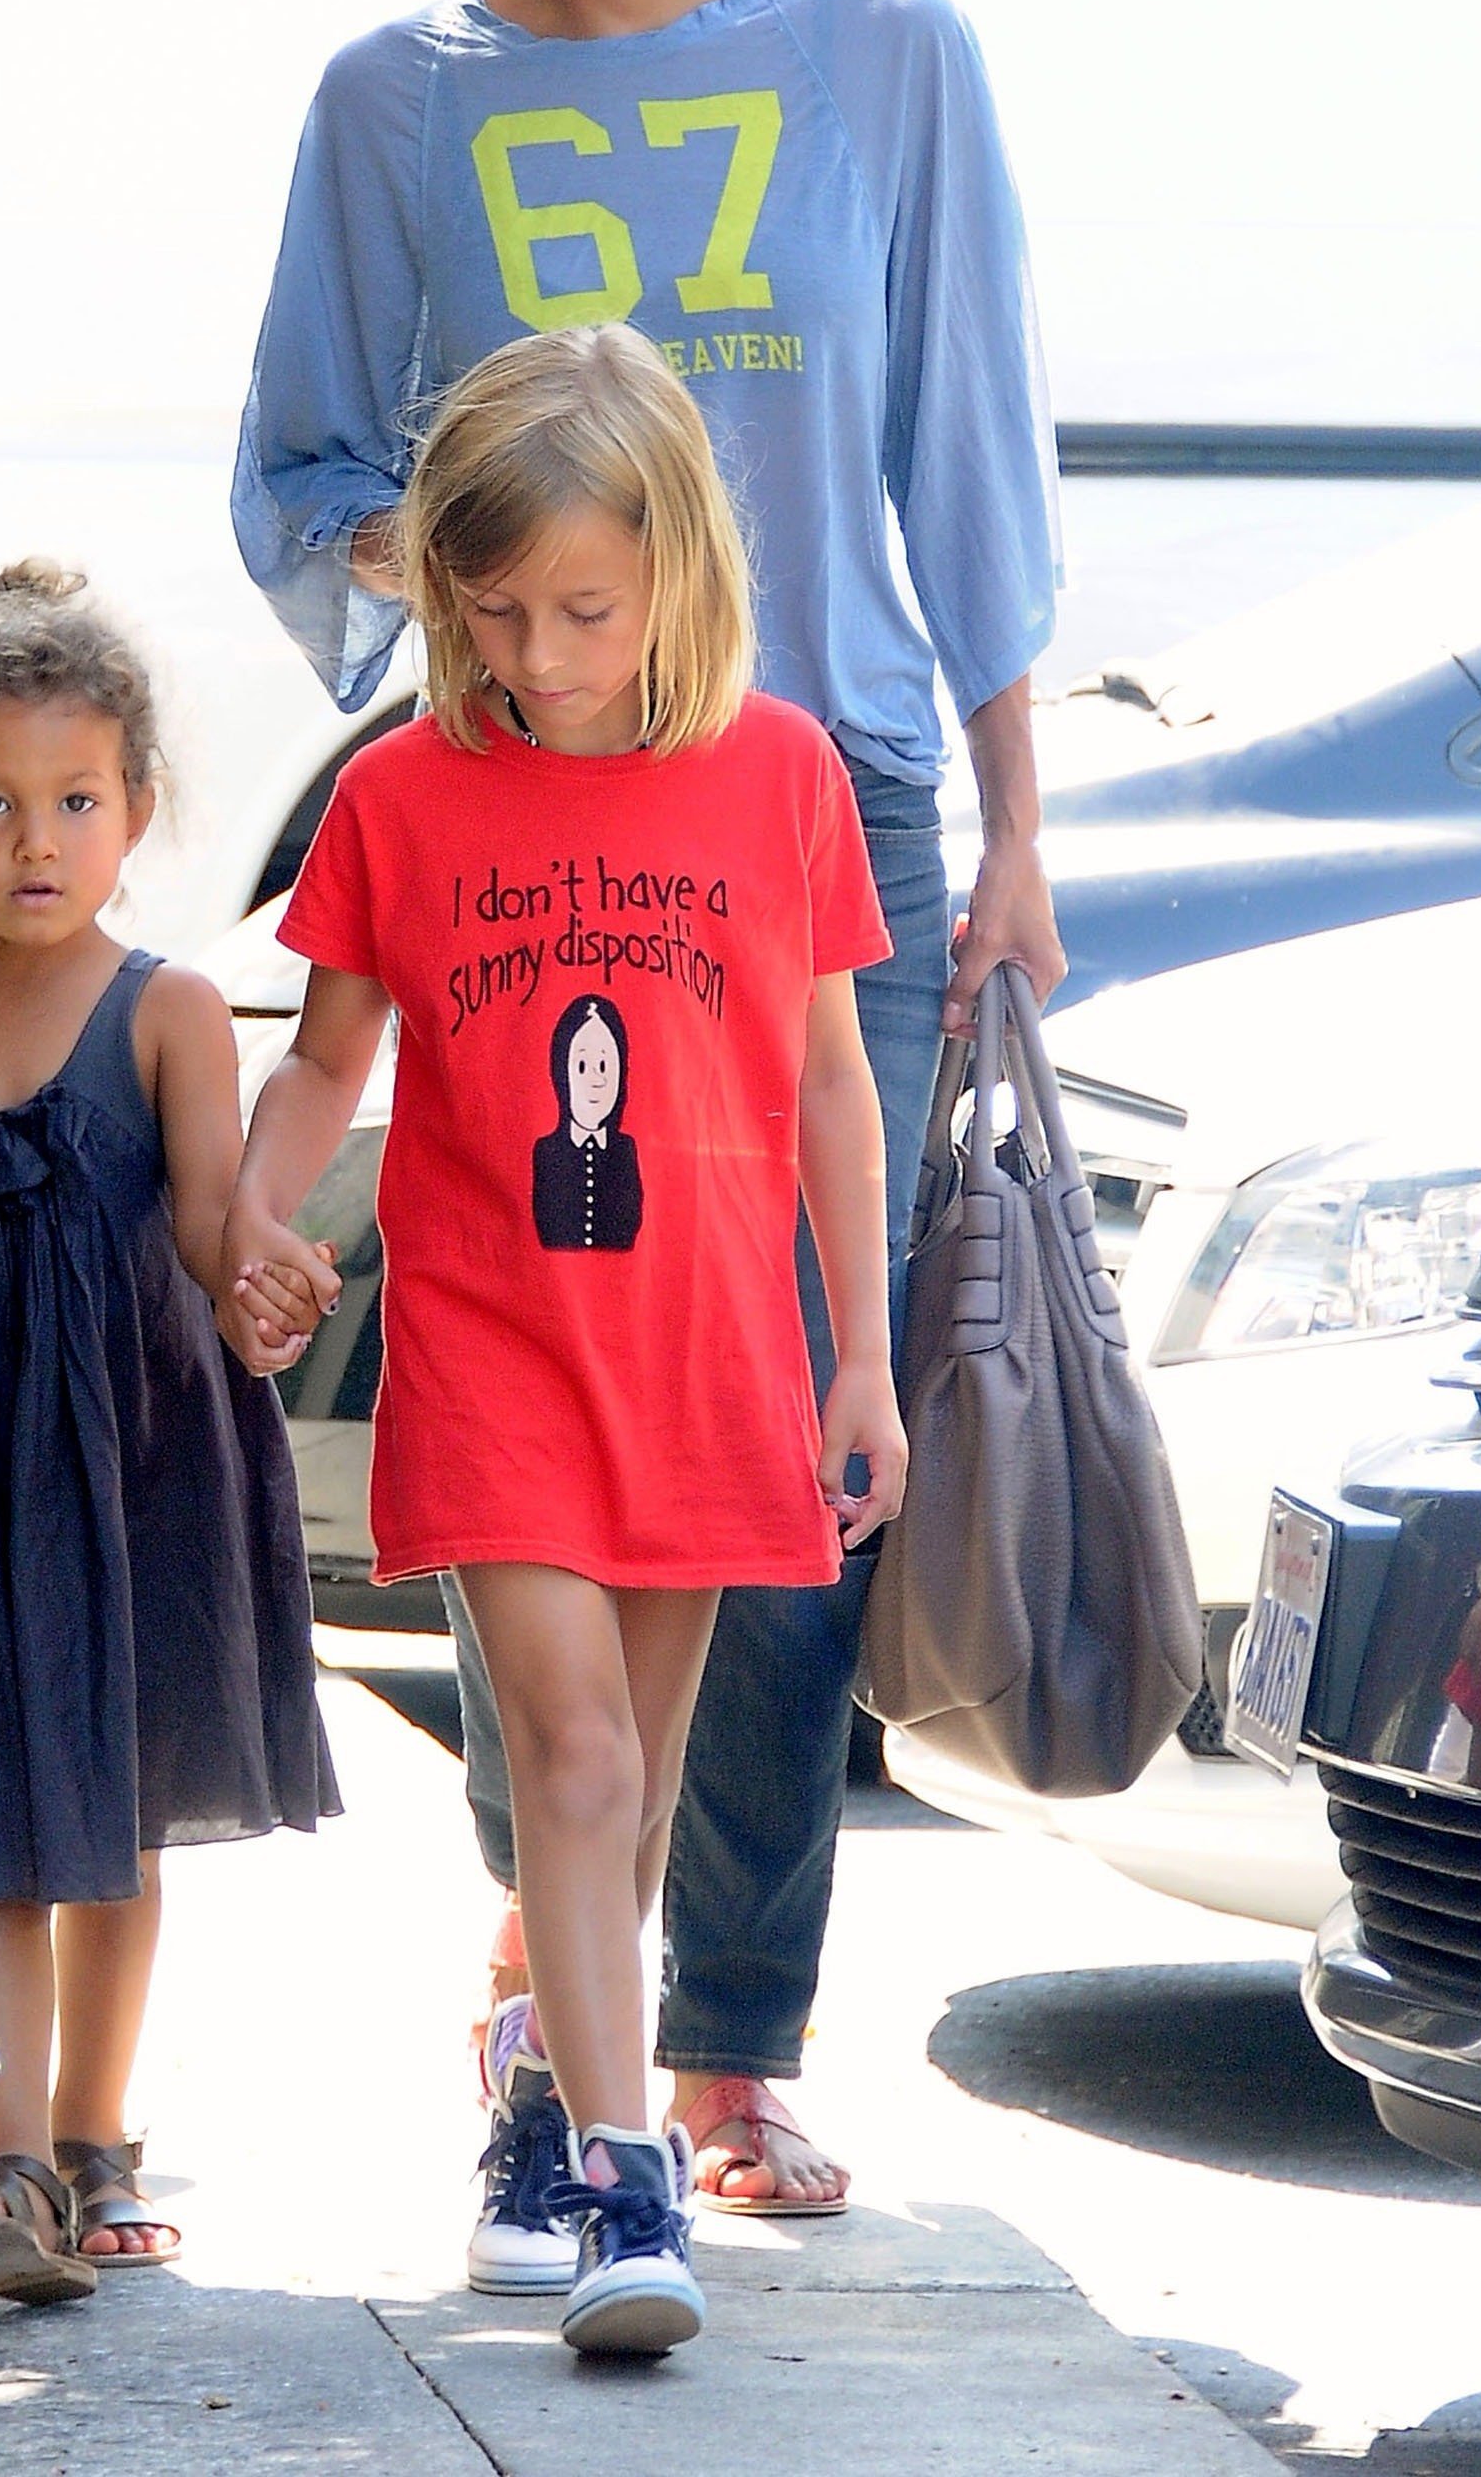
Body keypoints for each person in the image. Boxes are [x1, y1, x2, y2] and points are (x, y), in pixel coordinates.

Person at [231, 0, 1066, 2225]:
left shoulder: (879, 50)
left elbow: (963, 446)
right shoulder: (395, 97)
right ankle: (551, 1940)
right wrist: (492, 580)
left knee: (788, 1447)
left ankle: (722, 2046)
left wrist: (1013, 821)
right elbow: (298, 470)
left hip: (824, 800)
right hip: (516, 824)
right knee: (518, 1404)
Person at [221, 326, 906, 2356]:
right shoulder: (400, 794)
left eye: (584, 611)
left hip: (706, 1359)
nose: (537, 654)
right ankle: (626, 2182)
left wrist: (858, 1360)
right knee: (576, 1761)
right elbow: (323, 1058)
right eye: (496, 612)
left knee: (642, 1782)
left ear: (678, 567)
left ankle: (536, 2089)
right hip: (492, 1349)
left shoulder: (782, 775)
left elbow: (834, 1084)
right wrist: (247, 1215)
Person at [0, 562, 339, 2303]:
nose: (36, 840)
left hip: (136, 1468)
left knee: (118, 1819)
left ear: (136, 813)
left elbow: (210, 1224)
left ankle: (97, 2142)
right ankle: (6, 2165)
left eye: (76, 802)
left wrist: (263, 1274)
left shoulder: (168, 1012)